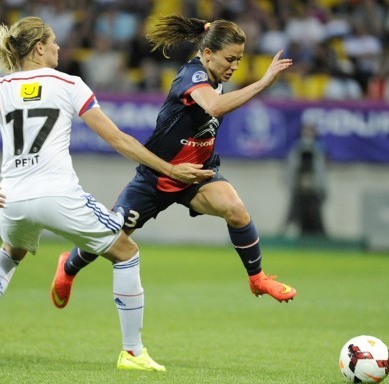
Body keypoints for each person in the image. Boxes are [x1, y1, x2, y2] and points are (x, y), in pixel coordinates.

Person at [0, 16, 212, 371]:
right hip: (58, 196)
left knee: (11, 253)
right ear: (39, 47)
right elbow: (118, 139)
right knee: (127, 252)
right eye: (53, 41)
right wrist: (169, 169)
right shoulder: (69, 83)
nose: (59, 47)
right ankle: (132, 353)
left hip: (11, 199)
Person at [51, 15, 297, 321]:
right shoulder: (191, 76)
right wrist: (264, 82)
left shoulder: (216, 78)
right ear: (207, 54)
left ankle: (257, 278)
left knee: (234, 208)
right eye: (230, 59)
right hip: (156, 176)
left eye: (240, 59)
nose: (234, 66)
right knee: (112, 235)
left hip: (196, 175)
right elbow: (215, 107)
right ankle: (68, 266)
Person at [284, 123, 327, 237]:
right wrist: (291, 184)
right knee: (293, 216)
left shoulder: (318, 149)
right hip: (298, 189)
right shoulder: (296, 148)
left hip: (314, 190)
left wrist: (321, 188)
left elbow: (320, 171)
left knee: (316, 217)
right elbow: (291, 168)